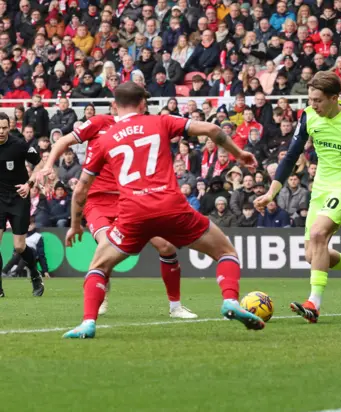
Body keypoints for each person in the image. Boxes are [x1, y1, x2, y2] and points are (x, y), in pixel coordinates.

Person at [56, 83, 265, 338]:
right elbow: (212, 129)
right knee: (226, 252)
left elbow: (80, 190)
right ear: (143, 103)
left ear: (115, 104)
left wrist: (76, 224)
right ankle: (230, 300)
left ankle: (88, 322)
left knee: (98, 267)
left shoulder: (105, 139)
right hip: (171, 207)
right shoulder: (160, 121)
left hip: (132, 213)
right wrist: (239, 153)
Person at [254, 71, 341, 323]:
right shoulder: (308, 117)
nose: (312, 105)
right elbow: (290, 156)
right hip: (320, 189)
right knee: (312, 255)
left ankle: (314, 304)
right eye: (310, 99)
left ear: (334, 98)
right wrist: (271, 192)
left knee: (319, 235)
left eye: (318, 100)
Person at [41, 114, 199, 320]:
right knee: (107, 244)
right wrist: (48, 166)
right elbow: (63, 140)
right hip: (97, 201)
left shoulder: (143, 128)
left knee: (166, 246)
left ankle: (175, 306)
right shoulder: (100, 123)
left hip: (129, 200)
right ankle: (100, 298)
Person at [0, 112, 45, 297]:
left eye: (4, 127)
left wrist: (29, 184)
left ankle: (35, 274)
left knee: (19, 246)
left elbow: (40, 163)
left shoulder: (19, 145)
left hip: (19, 197)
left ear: (9, 127)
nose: (1, 131)